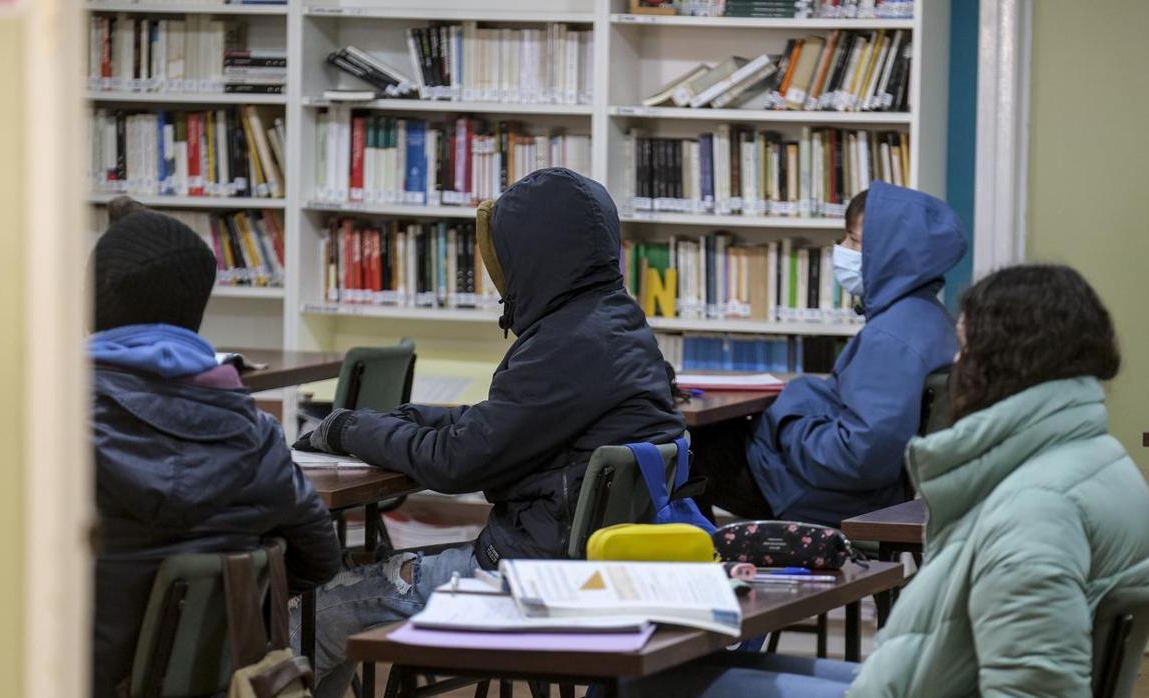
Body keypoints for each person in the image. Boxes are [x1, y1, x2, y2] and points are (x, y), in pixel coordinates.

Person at [630, 264, 1149, 697]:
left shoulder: (1037, 510)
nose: (958, 366)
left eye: (965, 348)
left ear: (1004, 361)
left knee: (647, 684)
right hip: (922, 679)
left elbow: (1034, 687)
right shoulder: (1099, 462)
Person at [298, 168, 686, 697]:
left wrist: (347, 429)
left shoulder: (566, 344)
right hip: (583, 565)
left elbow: (457, 463)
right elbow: (503, 422)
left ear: (533, 255)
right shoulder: (613, 324)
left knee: (310, 613)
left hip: (528, 577)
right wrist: (407, 418)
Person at [90, 199, 341, 697]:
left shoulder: (44, 434)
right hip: (216, 681)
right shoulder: (257, 434)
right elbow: (320, 559)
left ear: (97, 299)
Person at [693, 181, 967, 526]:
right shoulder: (928, 318)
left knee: (685, 450)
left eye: (853, 241)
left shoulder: (891, 337)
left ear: (891, 253)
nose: (842, 249)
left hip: (826, 494)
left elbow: (858, 457)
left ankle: (690, 568)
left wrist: (788, 416)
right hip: (860, 487)